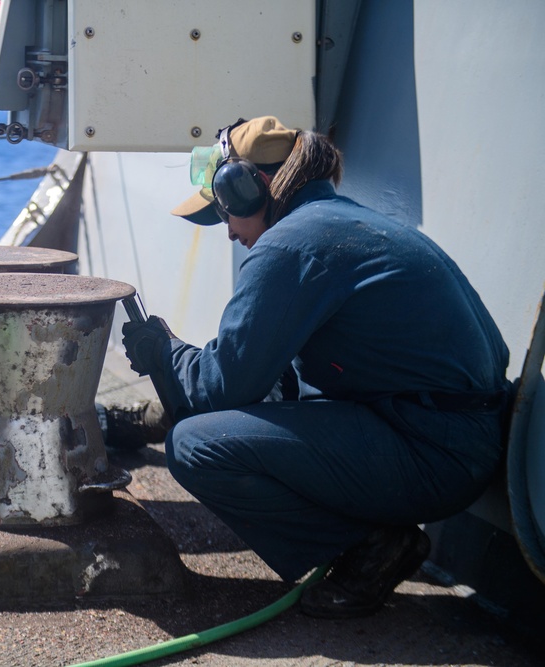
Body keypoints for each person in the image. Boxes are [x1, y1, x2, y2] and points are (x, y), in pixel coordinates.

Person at [120, 116, 511, 618]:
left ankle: (375, 546)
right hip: (457, 437)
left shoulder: (289, 246)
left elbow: (218, 389)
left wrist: (166, 351)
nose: (230, 233)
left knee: (195, 444)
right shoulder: (347, 223)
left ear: (247, 190)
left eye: (224, 215)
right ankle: (371, 534)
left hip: (435, 455)